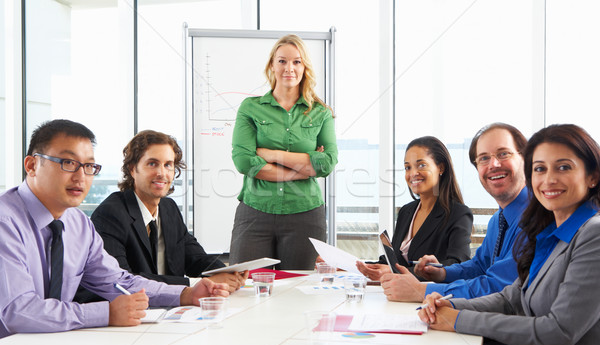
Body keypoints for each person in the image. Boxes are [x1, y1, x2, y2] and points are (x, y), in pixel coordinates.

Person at [0, 119, 228, 339]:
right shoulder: (5, 222)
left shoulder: (78, 224)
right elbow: (18, 311)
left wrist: (185, 294)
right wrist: (106, 313)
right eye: (68, 163)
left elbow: (120, 282)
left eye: (89, 166)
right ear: (31, 166)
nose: (81, 177)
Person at [419, 124, 600, 345]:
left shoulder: (594, 233)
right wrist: (447, 306)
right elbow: (510, 297)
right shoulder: (552, 232)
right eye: (540, 169)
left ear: (593, 176)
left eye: (564, 167)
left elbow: (560, 332)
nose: (549, 179)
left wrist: (457, 319)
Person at [380, 123, 528, 302]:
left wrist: (422, 291)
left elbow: (498, 285)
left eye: (503, 154)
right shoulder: (498, 219)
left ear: (525, 158)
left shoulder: (535, 217)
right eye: (483, 158)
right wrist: (441, 272)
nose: (493, 164)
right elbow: (479, 266)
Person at [88, 130, 246, 295]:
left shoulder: (169, 208)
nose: (162, 173)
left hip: (176, 310)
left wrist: (226, 273)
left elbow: (196, 258)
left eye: (168, 165)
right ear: (133, 169)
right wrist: (193, 284)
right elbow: (122, 281)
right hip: (136, 311)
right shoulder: (111, 214)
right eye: (152, 164)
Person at [229, 34, 338, 270]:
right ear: (272, 65)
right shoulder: (251, 108)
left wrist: (268, 154)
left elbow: (326, 163)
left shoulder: (321, 113)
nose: (289, 68)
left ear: (304, 67)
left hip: (306, 214)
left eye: (297, 62)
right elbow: (245, 162)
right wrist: (301, 169)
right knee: (245, 287)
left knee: (299, 292)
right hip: (255, 211)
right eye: (282, 61)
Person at [356, 136, 472, 281]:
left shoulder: (458, 213)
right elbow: (392, 263)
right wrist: (349, 265)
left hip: (431, 296)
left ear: (441, 167)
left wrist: (396, 273)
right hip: (399, 296)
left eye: (421, 165)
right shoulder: (406, 211)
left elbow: (457, 265)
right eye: (407, 167)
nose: (412, 173)